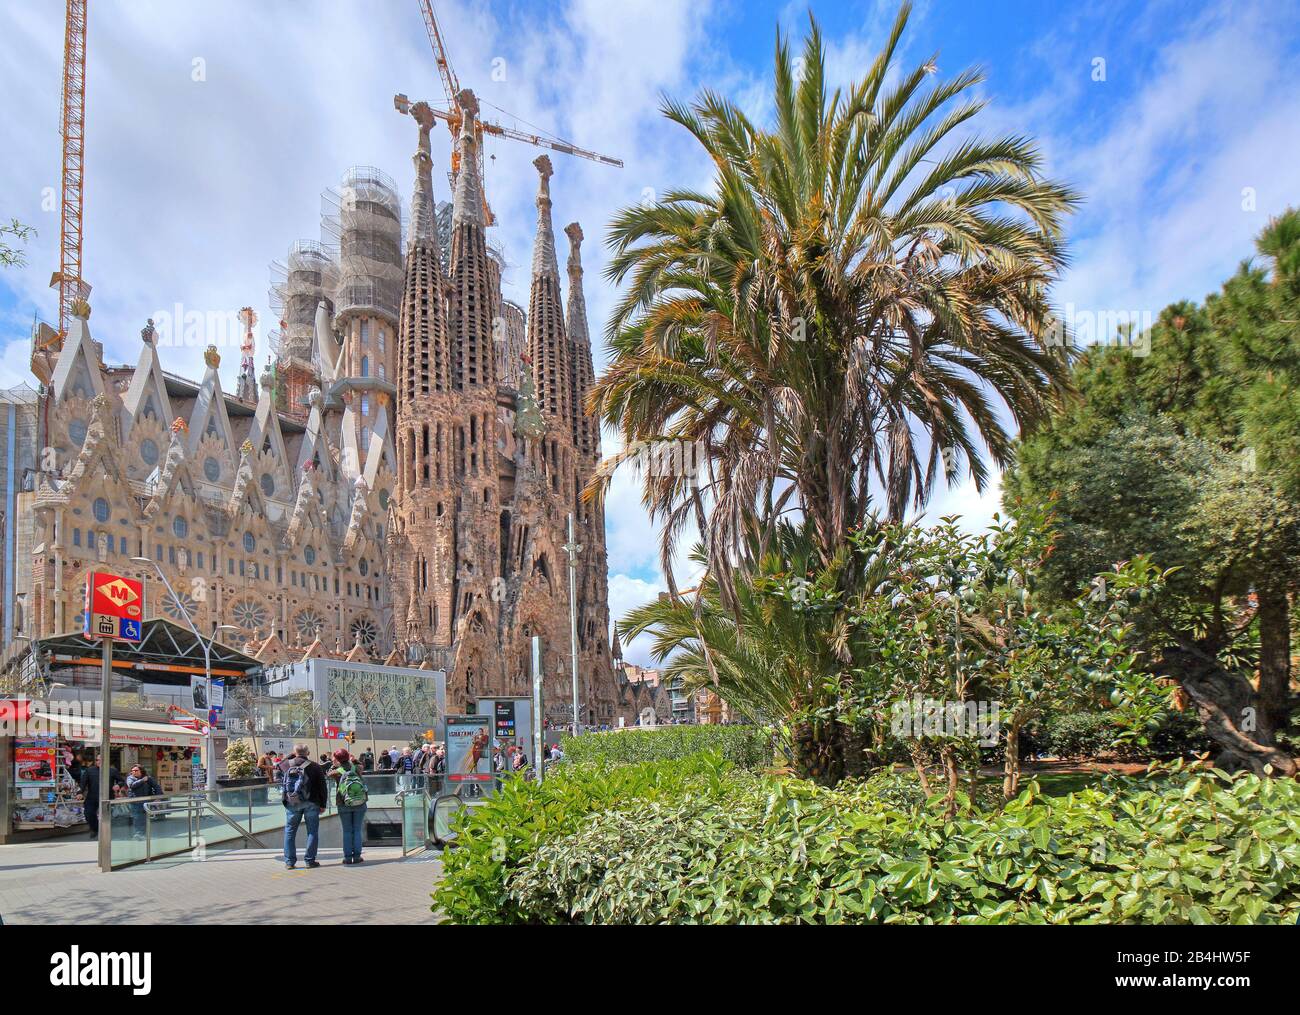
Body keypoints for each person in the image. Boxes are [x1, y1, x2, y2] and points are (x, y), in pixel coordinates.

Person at [281, 744, 327, 870]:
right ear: (308, 752)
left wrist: (293, 755)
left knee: (290, 831)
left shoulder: (287, 765)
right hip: (311, 802)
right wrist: (323, 804)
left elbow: (280, 763)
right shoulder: (315, 766)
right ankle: (310, 860)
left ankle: (290, 862)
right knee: (312, 831)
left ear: (295, 752)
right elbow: (322, 787)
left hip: (292, 802)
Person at [327, 748, 369, 865]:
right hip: (360, 802)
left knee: (347, 831)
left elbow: (328, 773)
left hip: (343, 803)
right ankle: (357, 856)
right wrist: (354, 760)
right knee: (357, 829)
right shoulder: (357, 768)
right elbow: (361, 765)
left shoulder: (336, 772)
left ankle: (347, 857)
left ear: (337, 759)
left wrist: (333, 764)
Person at [78, 754, 124, 839]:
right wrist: (80, 792)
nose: (99, 761)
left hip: (107, 796)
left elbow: (121, 781)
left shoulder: (112, 771)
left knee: (106, 816)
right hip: (92, 797)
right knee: (88, 813)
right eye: (97, 760)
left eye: (101, 760)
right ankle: (95, 829)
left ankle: (106, 833)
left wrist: (118, 785)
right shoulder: (89, 771)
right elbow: (83, 783)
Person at [124, 765, 161, 839]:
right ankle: (138, 833)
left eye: (136, 770)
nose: (134, 772)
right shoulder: (130, 778)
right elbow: (131, 785)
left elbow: (157, 787)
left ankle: (144, 833)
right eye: (133, 771)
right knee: (137, 818)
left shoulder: (148, 778)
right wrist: (142, 780)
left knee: (144, 818)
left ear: (141, 771)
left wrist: (158, 797)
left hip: (146, 802)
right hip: (135, 802)